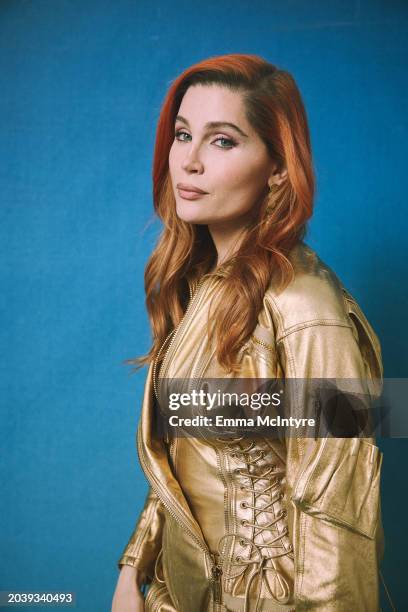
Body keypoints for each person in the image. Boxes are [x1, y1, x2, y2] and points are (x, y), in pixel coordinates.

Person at [111, 54, 385, 612]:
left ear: (278, 167)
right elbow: (179, 456)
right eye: (183, 134)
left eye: (223, 141)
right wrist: (134, 568)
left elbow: (340, 503)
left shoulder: (307, 306)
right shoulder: (199, 287)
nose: (188, 162)